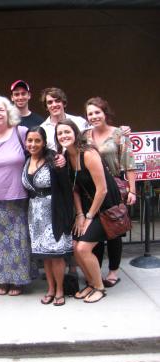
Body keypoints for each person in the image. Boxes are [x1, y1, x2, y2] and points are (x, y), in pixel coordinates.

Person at [56, 118, 121, 303]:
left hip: (105, 207)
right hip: (86, 208)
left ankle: (99, 287)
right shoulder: (68, 157)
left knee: (83, 248)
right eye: (60, 133)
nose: (64, 135)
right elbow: (74, 189)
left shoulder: (88, 154)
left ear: (75, 133)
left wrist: (90, 217)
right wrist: (80, 215)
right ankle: (91, 284)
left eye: (67, 131)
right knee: (75, 247)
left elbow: (103, 189)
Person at [0, 96, 33, 296]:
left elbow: (39, 154)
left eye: (1, 109)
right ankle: (0, 278)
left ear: (8, 113)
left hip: (18, 196)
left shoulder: (21, 132)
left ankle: (17, 280)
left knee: (18, 239)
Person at [84, 97, 137, 287]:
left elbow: (129, 163)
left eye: (97, 112)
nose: (94, 116)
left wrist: (132, 190)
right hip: (92, 191)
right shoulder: (85, 136)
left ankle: (113, 271)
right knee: (96, 232)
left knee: (114, 230)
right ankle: (95, 269)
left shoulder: (119, 134)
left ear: (105, 113)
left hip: (114, 188)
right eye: (90, 113)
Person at [21, 127, 73, 306]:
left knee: (56, 254)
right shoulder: (26, 161)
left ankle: (60, 291)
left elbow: (66, 190)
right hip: (35, 214)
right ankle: (50, 289)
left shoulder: (54, 160)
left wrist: (68, 215)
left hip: (54, 212)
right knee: (45, 255)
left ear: (44, 142)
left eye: (37, 140)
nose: (33, 144)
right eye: (29, 140)